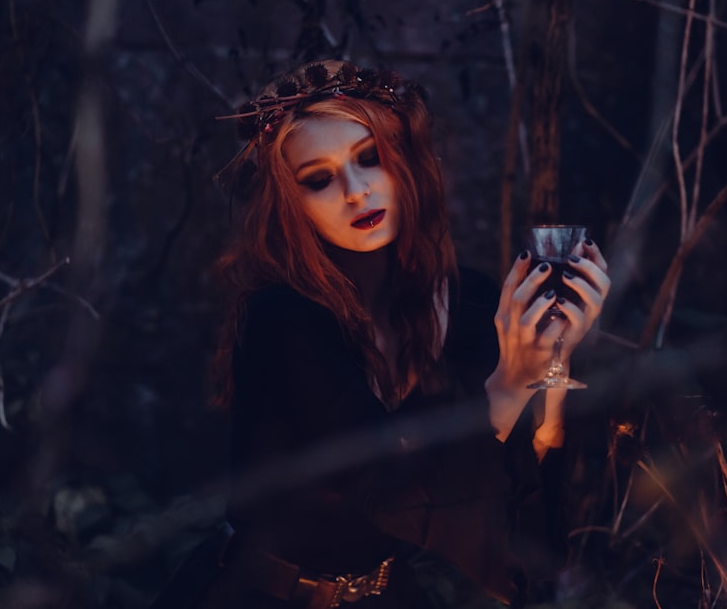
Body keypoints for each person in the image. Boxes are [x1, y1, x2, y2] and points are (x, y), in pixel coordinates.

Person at [152, 60, 609, 609]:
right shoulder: (282, 317)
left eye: (371, 158)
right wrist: (507, 385)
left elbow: (513, 507)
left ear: (407, 162)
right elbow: (387, 490)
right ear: (291, 204)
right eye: (318, 179)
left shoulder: (469, 300)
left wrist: (550, 369)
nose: (355, 191)